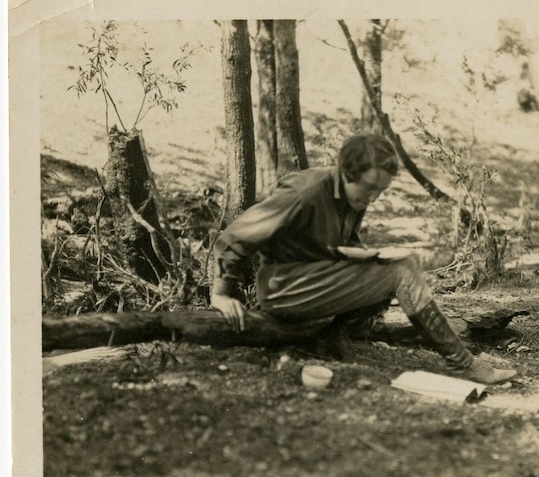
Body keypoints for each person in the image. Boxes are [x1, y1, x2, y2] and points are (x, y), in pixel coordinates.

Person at [210, 133, 516, 384]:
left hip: (313, 279)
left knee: (396, 264)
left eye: (380, 191)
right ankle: (462, 363)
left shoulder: (352, 194)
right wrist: (222, 294)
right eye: (369, 188)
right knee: (402, 272)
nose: (373, 198)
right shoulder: (305, 193)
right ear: (347, 172)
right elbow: (235, 235)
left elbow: (333, 241)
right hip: (283, 288)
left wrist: (367, 255)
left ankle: (330, 340)